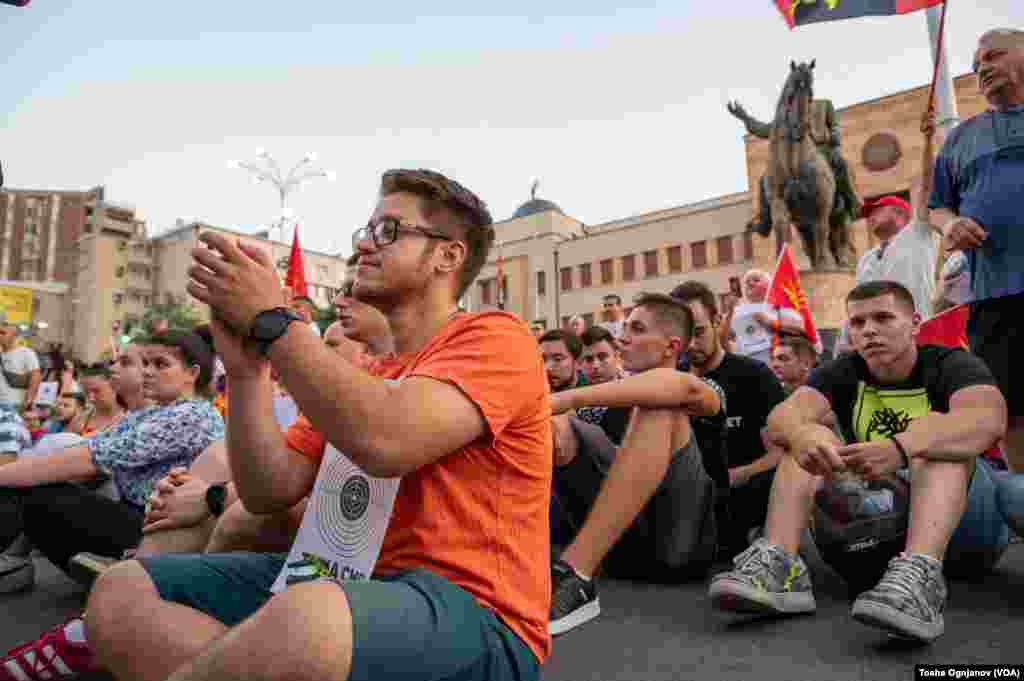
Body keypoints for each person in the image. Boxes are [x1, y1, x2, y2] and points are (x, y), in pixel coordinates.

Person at [87, 168, 551, 681]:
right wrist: (247, 375)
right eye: (367, 230)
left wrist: (273, 320)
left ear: (448, 255)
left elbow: (389, 440)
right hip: (352, 588)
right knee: (123, 591)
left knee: (306, 618)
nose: (368, 245)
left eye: (390, 231)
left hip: (476, 612)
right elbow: (269, 488)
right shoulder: (364, 375)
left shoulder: (496, 337)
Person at [709, 281, 1024, 643]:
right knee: (810, 437)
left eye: (883, 318)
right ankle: (780, 565)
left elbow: (988, 420)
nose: (869, 330)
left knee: (934, 437)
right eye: (857, 323)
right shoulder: (844, 370)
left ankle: (921, 575)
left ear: (915, 323)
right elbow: (782, 416)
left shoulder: (950, 362)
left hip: (968, 523)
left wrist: (900, 447)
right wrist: (803, 436)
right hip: (881, 522)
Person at [0, 331, 225, 599]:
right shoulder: (156, 411)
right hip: (134, 520)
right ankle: (16, 564)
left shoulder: (191, 414)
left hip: (156, 535)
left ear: (192, 373)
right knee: (33, 479)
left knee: (34, 489)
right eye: (146, 363)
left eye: (160, 364)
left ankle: (18, 565)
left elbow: (88, 460)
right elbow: (85, 450)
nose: (148, 372)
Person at [547, 293, 721, 635]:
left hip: (681, 546)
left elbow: (679, 388)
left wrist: (557, 399)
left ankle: (576, 572)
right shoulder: (605, 396)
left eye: (637, 328)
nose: (622, 336)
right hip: (618, 551)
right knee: (559, 424)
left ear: (671, 346)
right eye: (624, 326)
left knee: (657, 406)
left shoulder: (703, 386)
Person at [930, 28, 1024, 473]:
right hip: (994, 296)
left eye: (993, 55)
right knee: (1013, 410)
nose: (982, 68)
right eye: (975, 64)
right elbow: (936, 208)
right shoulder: (961, 138)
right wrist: (952, 224)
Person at [670, 281, 787, 557]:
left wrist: (734, 476)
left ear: (718, 321)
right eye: (682, 336)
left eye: (698, 332)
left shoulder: (755, 376)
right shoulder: (671, 380)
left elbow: (781, 455)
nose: (691, 345)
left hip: (742, 494)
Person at [728, 269, 804, 365]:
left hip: (775, 363)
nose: (750, 283)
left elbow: (798, 330)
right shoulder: (737, 310)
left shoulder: (779, 305)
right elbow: (728, 337)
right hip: (746, 364)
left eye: (756, 280)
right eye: (747, 282)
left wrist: (769, 322)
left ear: (769, 285)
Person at [0, 312, 41, 412]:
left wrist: (28, 402)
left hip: (16, 405)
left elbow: (35, 378)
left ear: (14, 333)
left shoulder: (26, 352)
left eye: (3, 332)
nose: (1, 336)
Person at [69, 366, 126, 437]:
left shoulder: (130, 417)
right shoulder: (80, 420)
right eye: (86, 392)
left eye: (96, 391)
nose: (91, 398)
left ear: (114, 386)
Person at [540, 328, 584, 393]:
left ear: (577, 362)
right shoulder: (534, 394)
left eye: (557, 359)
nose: (547, 367)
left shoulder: (594, 395)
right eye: (543, 360)